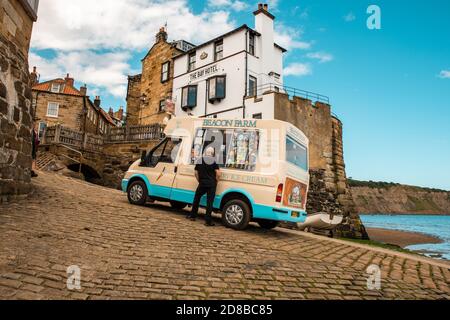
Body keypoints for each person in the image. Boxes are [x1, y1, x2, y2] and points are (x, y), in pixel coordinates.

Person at [187, 146, 221, 226]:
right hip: (211, 184)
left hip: (202, 183)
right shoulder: (214, 161)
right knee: (209, 202)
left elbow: (195, 173)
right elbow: (218, 173)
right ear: (212, 154)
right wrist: (216, 181)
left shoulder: (200, 160)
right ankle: (207, 221)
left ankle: (192, 216)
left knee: (197, 198)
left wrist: (199, 180)